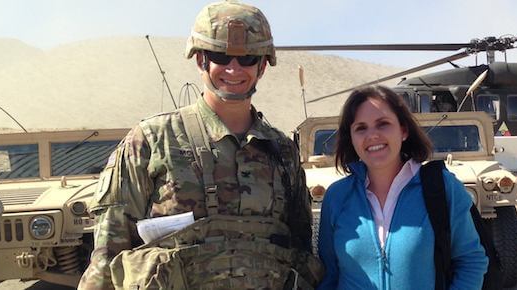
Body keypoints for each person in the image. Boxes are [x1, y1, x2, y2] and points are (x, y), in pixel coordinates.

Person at [78, 1, 322, 289]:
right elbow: (108, 256)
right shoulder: (152, 140)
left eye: (247, 59)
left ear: (262, 66)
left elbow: (301, 251)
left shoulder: (282, 152)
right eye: (220, 55)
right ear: (200, 60)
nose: (233, 69)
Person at [317, 85, 488, 289]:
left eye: (383, 124)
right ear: (351, 138)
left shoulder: (442, 188)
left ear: (404, 130)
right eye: (361, 128)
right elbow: (330, 273)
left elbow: (471, 261)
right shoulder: (337, 196)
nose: (372, 135)